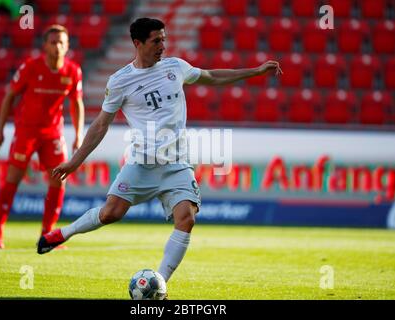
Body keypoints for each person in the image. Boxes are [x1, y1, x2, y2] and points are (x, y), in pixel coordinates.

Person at [37, 18, 282, 289]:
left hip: (177, 164)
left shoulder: (175, 67)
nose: (162, 46)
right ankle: (63, 233)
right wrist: (75, 161)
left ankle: (159, 283)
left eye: (164, 40)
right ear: (137, 43)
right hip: (142, 164)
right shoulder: (120, 81)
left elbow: (212, 76)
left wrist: (255, 72)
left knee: (186, 218)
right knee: (110, 214)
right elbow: (101, 125)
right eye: (156, 41)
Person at [0, 24, 85, 249]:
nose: (58, 47)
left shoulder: (73, 71)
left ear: (67, 45)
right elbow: (9, 97)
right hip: (26, 131)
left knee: (59, 179)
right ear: (45, 46)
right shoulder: (31, 67)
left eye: (62, 42)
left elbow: (76, 103)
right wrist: (1, 131)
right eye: (53, 42)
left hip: (53, 133)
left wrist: (79, 134)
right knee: (13, 177)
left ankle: (47, 234)